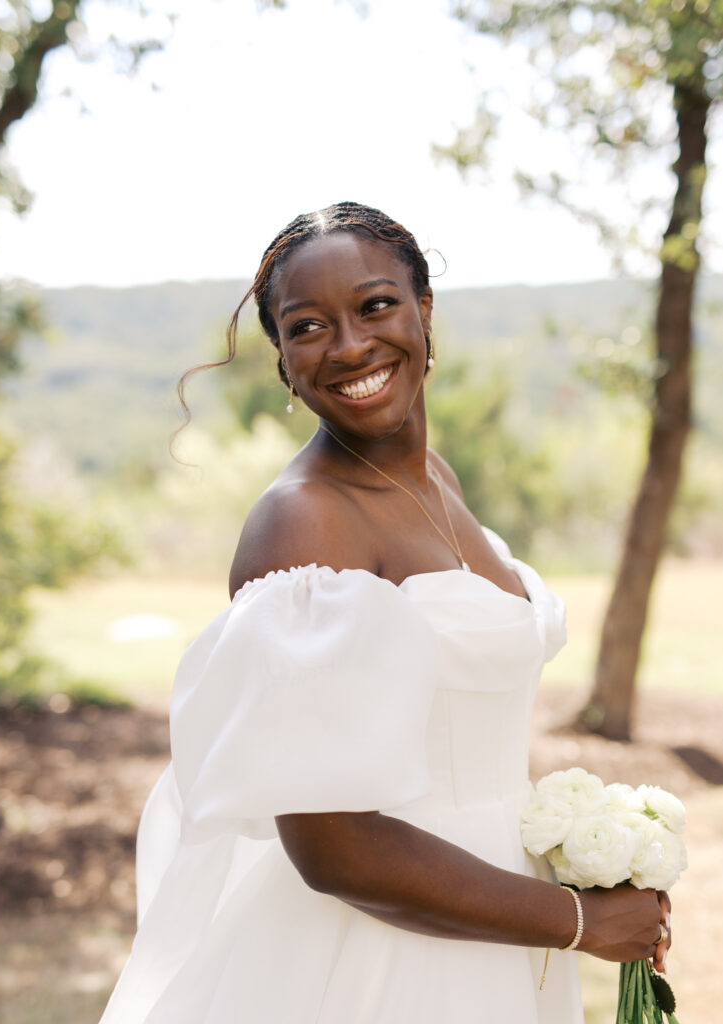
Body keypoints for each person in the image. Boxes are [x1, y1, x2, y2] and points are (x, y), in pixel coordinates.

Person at [99, 201, 671, 1023]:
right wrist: (576, 922)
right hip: (380, 957)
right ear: (283, 363)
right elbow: (335, 846)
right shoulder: (305, 521)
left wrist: (584, 853)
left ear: (423, 311)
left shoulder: (433, 477)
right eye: (307, 327)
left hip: (486, 912)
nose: (351, 346)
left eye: (374, 306)